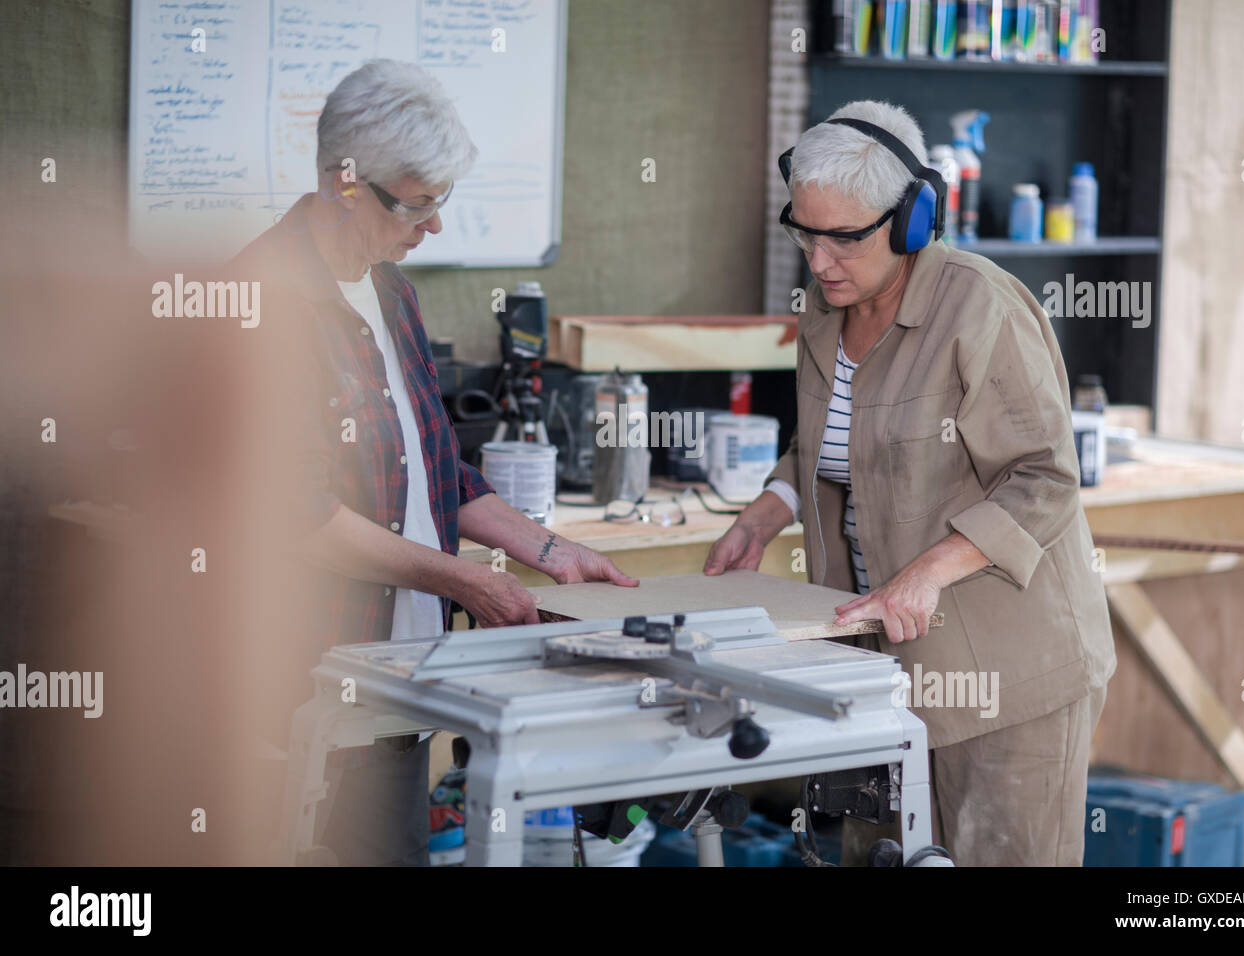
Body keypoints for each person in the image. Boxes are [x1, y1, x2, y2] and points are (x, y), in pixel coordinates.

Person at [230, 60, 637, 865]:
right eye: (418, 205)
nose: (435, 228)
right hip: (306, 681)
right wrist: (466, 581)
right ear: (345, 184)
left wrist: (551, 553)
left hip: (401, 673)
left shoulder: (391, 293)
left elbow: (437, 468)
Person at [705, 99, 1115, 866]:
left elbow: (1045, 476)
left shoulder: (978, 304)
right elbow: (829, 442)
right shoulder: (829, 313)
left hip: (1004, 677)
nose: (818, 259)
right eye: (803, 231)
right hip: (879, 666)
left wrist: (927, 573)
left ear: (912, 219)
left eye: (844, 238)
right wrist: (766, 512)